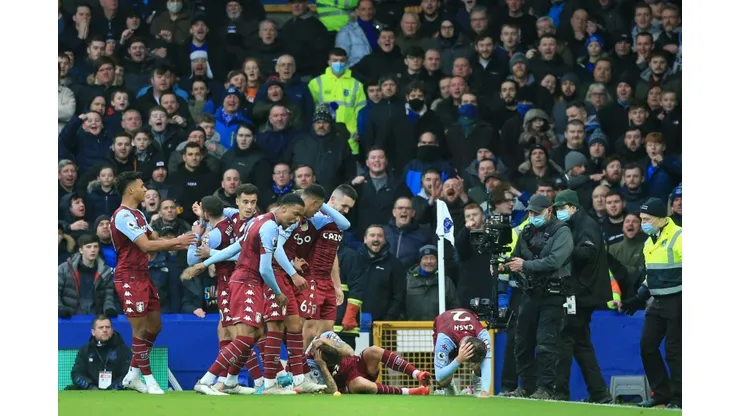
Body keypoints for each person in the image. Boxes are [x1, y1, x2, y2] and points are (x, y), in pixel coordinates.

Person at [183, 194, 305, 395]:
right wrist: (278, 292)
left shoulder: (257, 221)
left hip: (243, 281)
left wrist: (205, 263)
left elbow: (235, 247)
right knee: (246, 338)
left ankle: (250, 383)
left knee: (255, 335)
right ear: (283, 208)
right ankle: (207, 380)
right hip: (247, 282)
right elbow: (265, 269)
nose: (296, 220)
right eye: (295, 214)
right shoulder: (269, 227)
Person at [112, 171, 194, 395]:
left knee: (155, 326)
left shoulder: (138, 213)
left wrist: (184, 242)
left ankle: (132, 374)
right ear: (130, 190)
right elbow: (146, 246)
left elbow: (155, 239)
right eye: (141, 186)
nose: (146, 189)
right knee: (139, 331)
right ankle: (148, 380)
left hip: (143, 275)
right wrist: (177, 241)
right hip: (128, 277)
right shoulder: (122, 216)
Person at [268, 184, 349, 394]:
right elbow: (274, 247)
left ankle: (300, 374)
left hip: (304, 278)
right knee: (283, 328)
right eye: (344, 206)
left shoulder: (317, 219)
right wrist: (291, 267)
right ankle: (279, 376)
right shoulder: (285, 220)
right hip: (286, 276)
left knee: (317, 331)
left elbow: (344, 224)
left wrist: (322, 205)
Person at [501, 194, 574, 400]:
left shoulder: (562, 232)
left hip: (553, 295)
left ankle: (546, 388)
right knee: (521, 341)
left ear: (549, 211)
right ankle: (526, 386)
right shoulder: (527, 231)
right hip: (530, 293)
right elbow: (515, 257)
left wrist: (524, 265)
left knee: (546, 343)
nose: (532, 216)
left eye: (536, 213)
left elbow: (554, 261)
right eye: (530, 213)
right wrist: (502, 265)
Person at [617, 197, 682, 409]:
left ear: (662, 218)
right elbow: (651, 276)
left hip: (678, 300)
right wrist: (639, 297)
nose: (643, 223)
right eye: (642, 218)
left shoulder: (680, 236)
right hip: (658, 301)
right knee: (647, 346)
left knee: (675, 352)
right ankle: (661, 393)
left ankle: (680, 398)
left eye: (647, 219)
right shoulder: (649, 243)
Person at [186, 196, 253, 394]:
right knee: (224, 330)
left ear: (207, 213)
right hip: (242, 281)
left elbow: (191, 260)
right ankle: (226, 381)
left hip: (228, 285)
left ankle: (227, 380)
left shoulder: (213, 235)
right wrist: (204, 216)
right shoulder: (233, 221)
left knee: (237, 335)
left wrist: (195, 234)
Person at [551, 190, 612, 403]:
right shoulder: (575, 224)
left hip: (581, 293)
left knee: (565, 337)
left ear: (573, 207)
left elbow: (588, 253)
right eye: (557, 208)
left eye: (562, 208)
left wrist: (564, 250)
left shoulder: (586, 224)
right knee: (580, 342)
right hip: (580, 292)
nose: (559, 212)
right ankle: (599, 393)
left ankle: (560, 391)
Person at [306, 330, 431, 395]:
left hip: (357, 364)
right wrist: (323, 366)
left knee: (374, 350)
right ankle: (409, 391)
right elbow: (333, 390)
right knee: (360, 384)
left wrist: (325, 340)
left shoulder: (327, 336)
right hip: (349, 382)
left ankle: (417, 373)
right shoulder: (311, 365)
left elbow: (350, 352)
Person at [432, 308, 492, 398]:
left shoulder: (483, 335)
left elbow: (486, 364)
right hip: (447, 329)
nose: (468, 365)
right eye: (469, 362)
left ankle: (478, 386)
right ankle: (450, 388)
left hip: (464, 325)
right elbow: (439, 376)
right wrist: (458, 360)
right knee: (443, 381)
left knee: (480, 362)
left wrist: (485, 392)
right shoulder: (444, 340)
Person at [68, 315, 132, 391]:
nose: (105, 330)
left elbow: (129, 375)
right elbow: (76, 374)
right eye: (101, 327)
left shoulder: (124, 350)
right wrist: (90, 387)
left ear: (112, 330)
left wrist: (113, 389)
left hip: (116, 391)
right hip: (90, 391)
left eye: (107, 327)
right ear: (93, 332)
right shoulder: (85, 350)